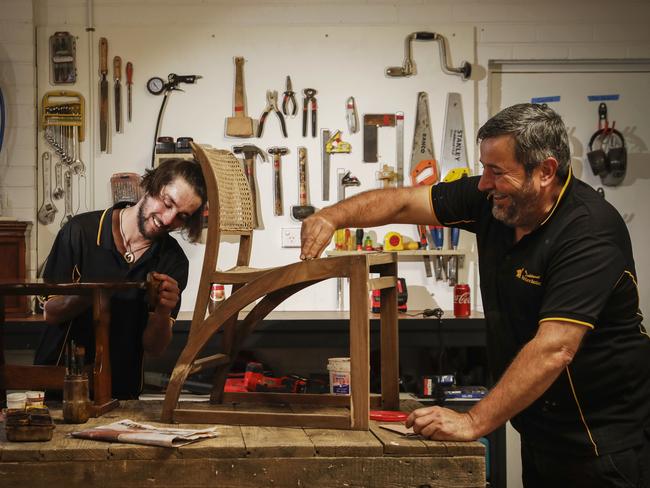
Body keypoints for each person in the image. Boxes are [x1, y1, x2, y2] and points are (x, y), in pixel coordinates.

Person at [300, 103, 650, 487]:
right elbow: (403, 201)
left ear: (545, 171)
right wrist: (332, 216)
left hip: (604, 443)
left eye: (497, 172)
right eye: (485, 168)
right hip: (541, 431)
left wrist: (472, 421)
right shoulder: (494, 200)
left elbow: (556, 348)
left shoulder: (589, 231)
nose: (484, 184)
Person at [35, 158, 207, 400]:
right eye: (167, 203)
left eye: (182, 216)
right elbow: (51, 313)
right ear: (151, 185)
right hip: (60, 384)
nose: (168, 219)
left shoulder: (173, 260)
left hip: (122, 391)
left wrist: (162, 311)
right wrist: (98, 288)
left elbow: (154, 348)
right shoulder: (80, 232)